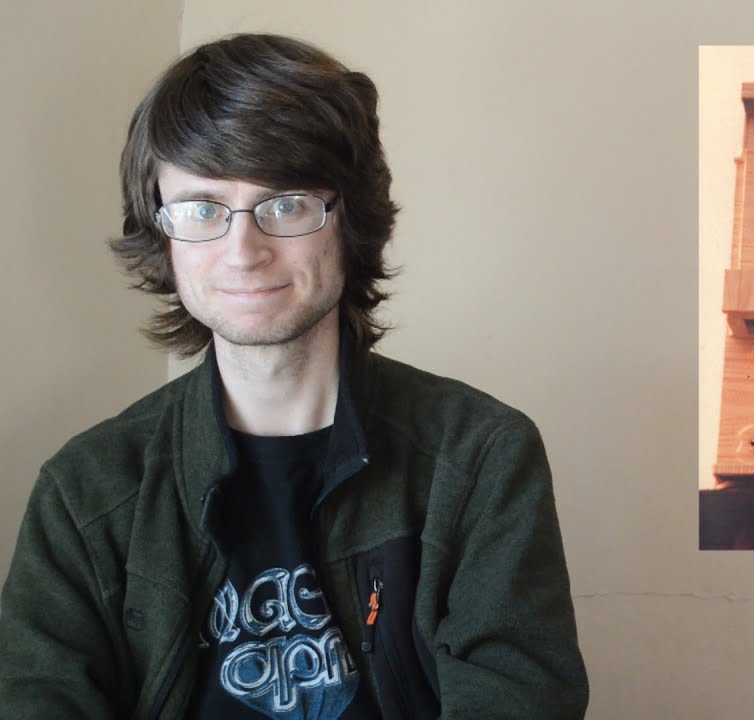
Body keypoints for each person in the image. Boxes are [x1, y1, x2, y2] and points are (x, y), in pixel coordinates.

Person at [0, 33, 588, 719]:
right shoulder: (85, 491)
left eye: (285, 203)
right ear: (162, 232)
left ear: (349, 220)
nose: (242, 252)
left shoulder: (481, 457)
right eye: (201, 209)